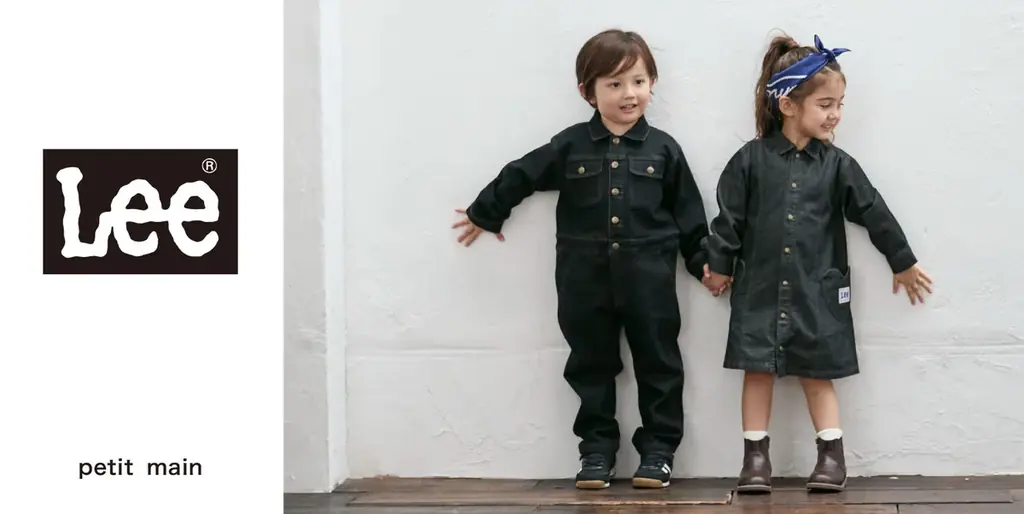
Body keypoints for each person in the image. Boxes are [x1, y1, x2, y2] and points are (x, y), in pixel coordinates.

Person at [452, 29, 713, 489]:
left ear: (652, 82)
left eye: (638, 81)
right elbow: (521, 173)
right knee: (590, 365)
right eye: (614, 84)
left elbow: (689, 214)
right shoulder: (570, 146)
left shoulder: (664, 150)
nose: (629, 94)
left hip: (650, 281)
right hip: (582, 281)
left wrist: (705, 264)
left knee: (660, 364)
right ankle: (596, 451)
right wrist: (485, 211)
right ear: (587, 92)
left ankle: (658, 451)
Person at [702, 33, 934, 493]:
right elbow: (728, 219)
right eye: (826, 104)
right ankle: (755, 459)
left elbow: (873, 210)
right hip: (760, 288)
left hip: (816, 289)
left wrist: (902, 261)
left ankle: (831, 456)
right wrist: (719, 265)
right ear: (788, 105)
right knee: (757, 370)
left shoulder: (838, 165)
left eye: (840, 104)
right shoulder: (749, 162)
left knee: (817, 372)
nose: (836, 115)